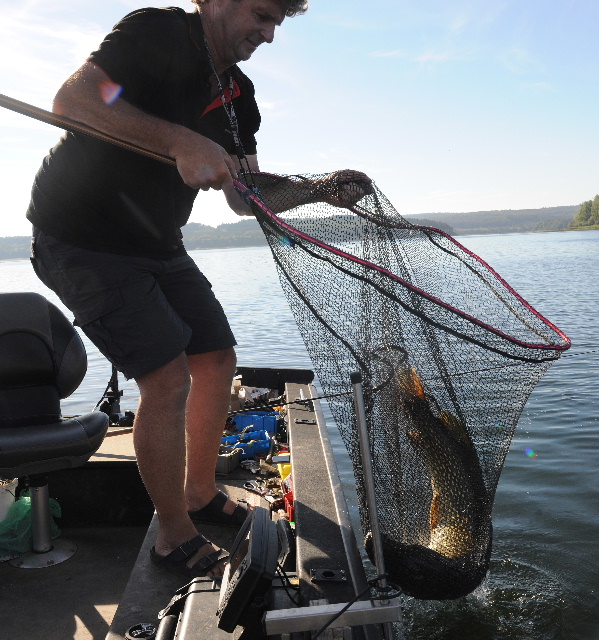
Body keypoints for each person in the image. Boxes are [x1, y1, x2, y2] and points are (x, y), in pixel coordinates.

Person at [27, 0, 371, 579]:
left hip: (158, 244)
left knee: (215, 359)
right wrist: (180, 140)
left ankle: (199, 492)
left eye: (277, 23)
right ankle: (173, 537)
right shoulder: (158, 33)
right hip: (81, 240)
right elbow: (75, 100)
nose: (267, 34)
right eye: (260, 15)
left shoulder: (238, 97)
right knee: (167, 377)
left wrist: (316, 190)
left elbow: (245, 195)